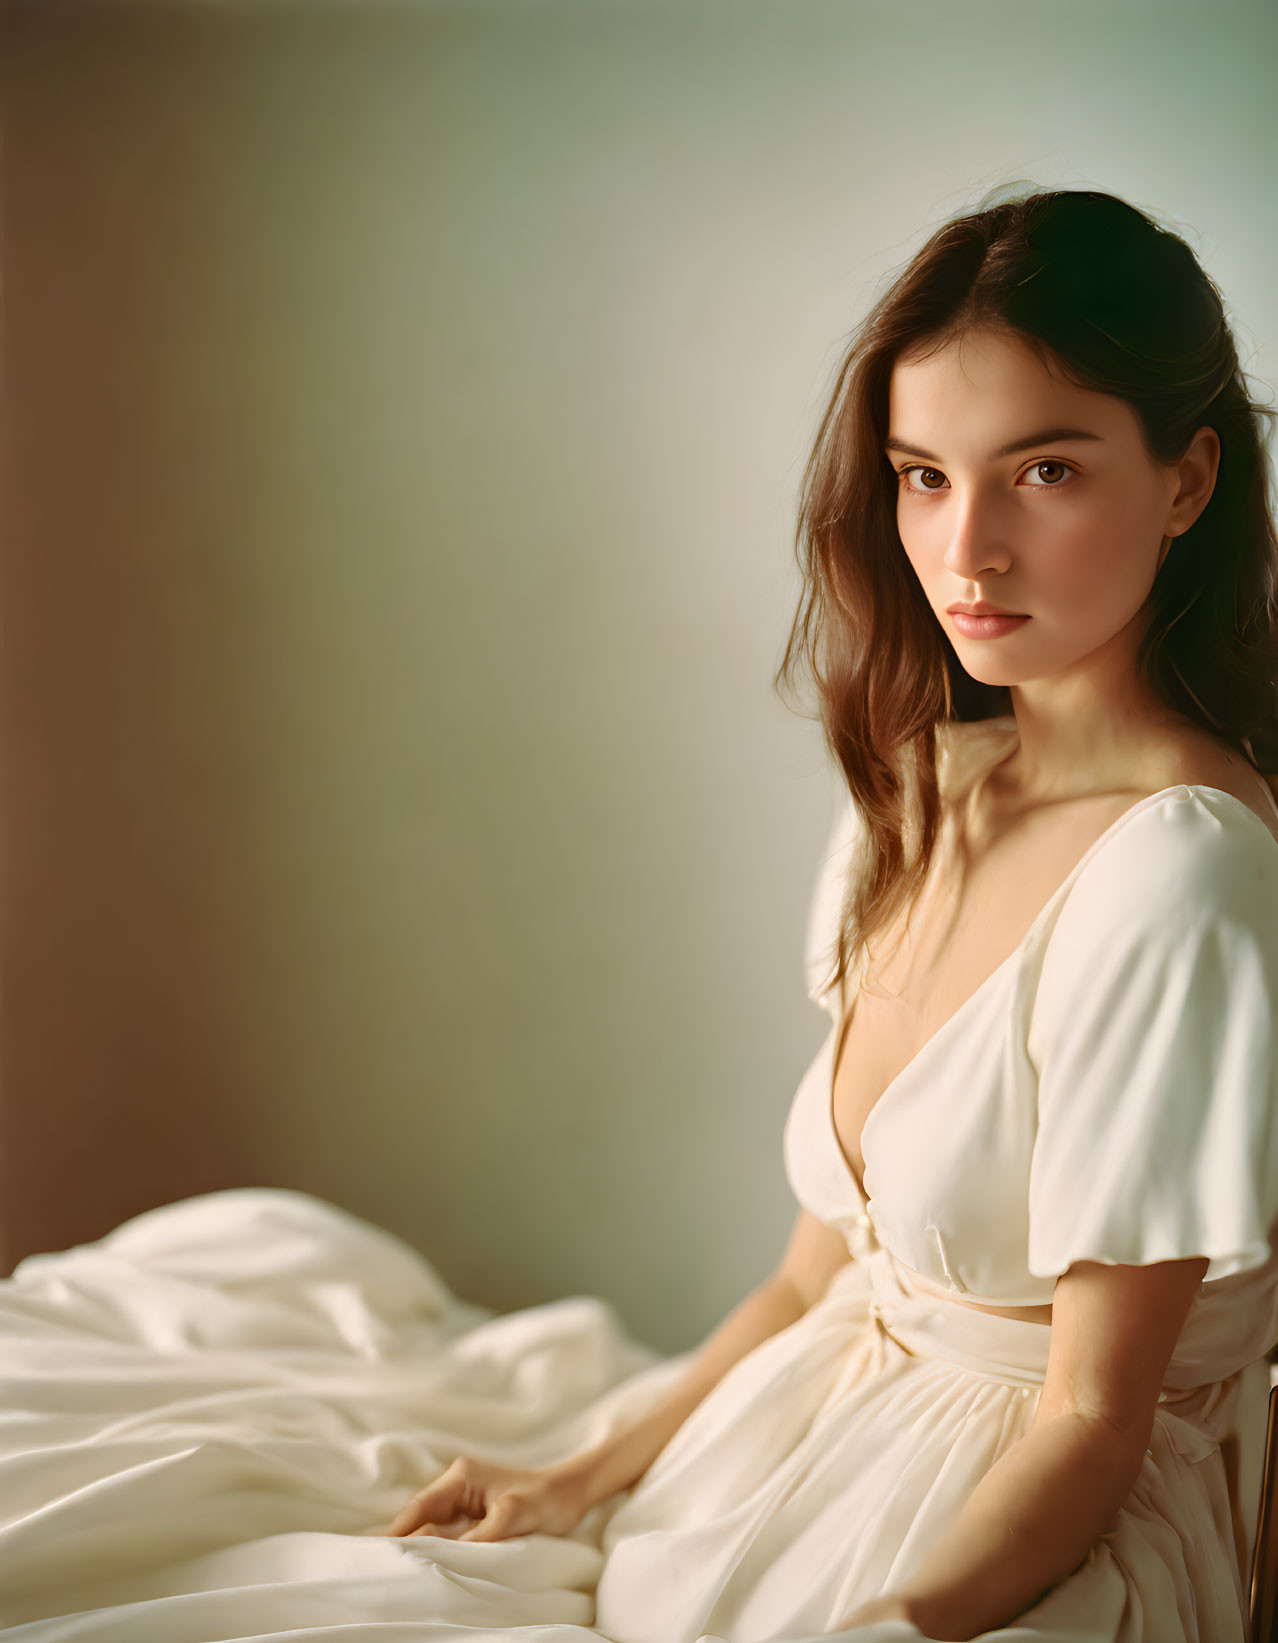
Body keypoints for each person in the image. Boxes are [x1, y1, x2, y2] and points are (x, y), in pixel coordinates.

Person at [387, 186, 1278, 1642]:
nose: (965, 550)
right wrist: (571, 1478)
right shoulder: (922, 794)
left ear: (1183, 484)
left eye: (1041, 473)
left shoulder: (1178, 872)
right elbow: (818, 1273)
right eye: (922, 475)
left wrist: (896, 1625)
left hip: (1015, 1535)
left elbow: (1093, 1418)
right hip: (800, 1454)